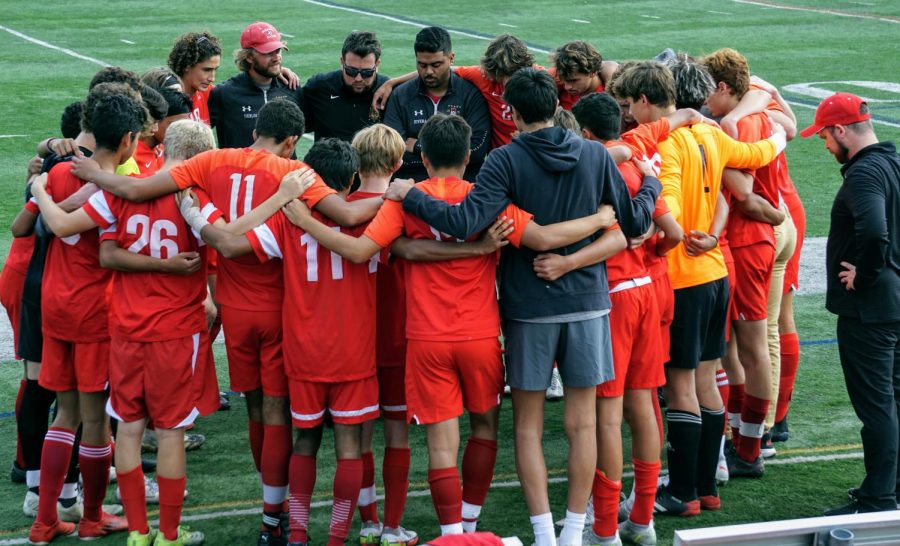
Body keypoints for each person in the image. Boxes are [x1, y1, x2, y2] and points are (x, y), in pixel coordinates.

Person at [287, 115, 616, 544]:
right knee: (484, 429)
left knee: (441, 444)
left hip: (427, 338)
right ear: (467, 156)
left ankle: (452, 534)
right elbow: (544, 238)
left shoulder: (405, 201)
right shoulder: (488, 198)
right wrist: (600, 219)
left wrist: (306, 220)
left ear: (421, 157)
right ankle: (473, 523)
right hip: (481, 335)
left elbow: (357, 250)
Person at [385, 69, 660, 546]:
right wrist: (652, 185)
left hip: (529, 307)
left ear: (510, 112)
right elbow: (635, 222)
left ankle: (544, 535)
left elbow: (466, 219)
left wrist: (410, 194)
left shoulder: (503, 160)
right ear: (558, 106)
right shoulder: (595, 155)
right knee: (583, 423)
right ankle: (575, 532)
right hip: (588, 304)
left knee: (529, 428)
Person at [28, 116, 237, 546]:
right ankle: (170, 534)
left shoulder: (121, 191)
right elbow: (226, 242)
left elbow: (87, 241)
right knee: (172, 431)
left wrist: (41, 191)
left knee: (127, 427)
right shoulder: (194, 198)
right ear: (202, 159)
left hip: (124, 328)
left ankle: (138, 532)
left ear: (163, 148)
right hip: (175, 331)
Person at [610, 59, 786, 516]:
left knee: (681, 385)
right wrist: (782, 130)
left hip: (680, 276)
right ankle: (707, 487)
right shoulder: (710, 133)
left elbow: (661, 199)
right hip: (714, 272)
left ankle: (681, 492)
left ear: (650, 102)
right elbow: (756, 158)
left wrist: (668, 234)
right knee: (709, 380)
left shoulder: (663, 141)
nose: (629, 116)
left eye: (631, 106)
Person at [24, 90, 139, 545]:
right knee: (94, 418)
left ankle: (44, 518)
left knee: (63, 413)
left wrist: (40, 179)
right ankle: (91, 518)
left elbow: (25, 225)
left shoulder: (56, 172)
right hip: (94, 310)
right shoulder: (116, 187)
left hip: (54, 302)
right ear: (129, 140)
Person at [800, 92, 900, 515]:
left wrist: (865, 272)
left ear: (842, 130)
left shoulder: (863, 174)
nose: (824, 145)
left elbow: (874, 231)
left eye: (824, 135)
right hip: (892, 304)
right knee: (893, 398)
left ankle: (878, 497)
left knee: (877, 404)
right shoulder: (893, 162)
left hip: (870, 311)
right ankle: (888, 488)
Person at [383, 27, 490, 182]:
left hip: (461, 187)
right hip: (412, 184)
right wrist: (453, 154)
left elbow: (478, 150)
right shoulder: (400, 95)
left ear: (451, 58)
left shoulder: (470, 95)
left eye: (436, 64)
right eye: (422, 65)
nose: (429, 72)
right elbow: (394, 152)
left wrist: (418, 146)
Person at [208, 22, 303, 149]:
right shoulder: (224, 94)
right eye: (268, 53)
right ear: (249, 57)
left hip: (284, 169)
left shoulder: (291, 87)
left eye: (278, 51)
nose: (276, 58)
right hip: (240, 169)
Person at [302, 31, 389, 143]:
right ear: (342, 62)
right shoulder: (319, 86)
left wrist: (394, 82)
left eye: (366, 72)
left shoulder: (388, 91)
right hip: (328, 160)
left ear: (377, 64)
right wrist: (277, 73)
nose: (358, 78)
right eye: (351, 71)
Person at [167, 32, 222, 125]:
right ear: (187, 66)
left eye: (215, 70)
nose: (212, 78)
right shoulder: (166, 101)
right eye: (206, 70)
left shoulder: (208, 92)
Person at [549, 41, 618, 111]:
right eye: (563, 79)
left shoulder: (612, 96)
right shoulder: (557, 86)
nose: (567, 87)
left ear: (592, 72)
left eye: (573, 80)